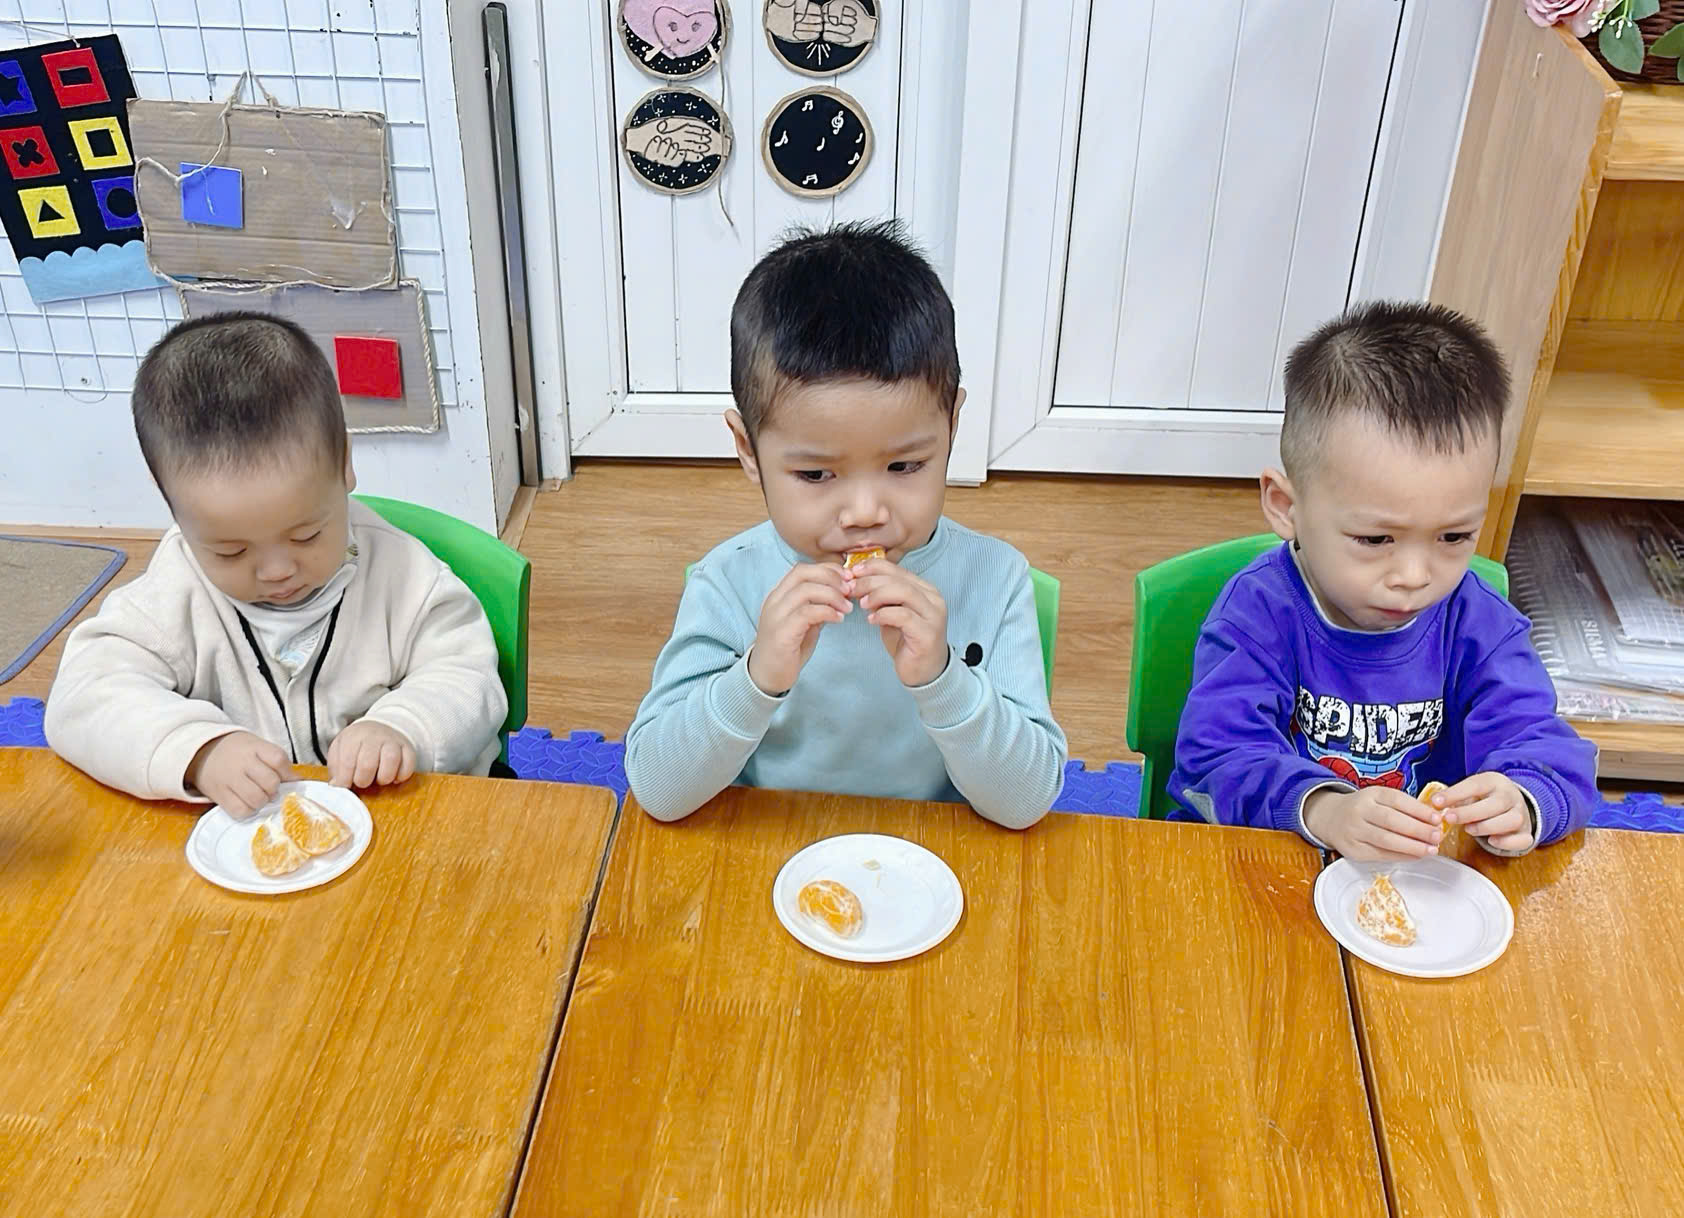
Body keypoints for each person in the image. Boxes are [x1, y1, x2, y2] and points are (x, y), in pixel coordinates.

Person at [626, 221, 1066, 827]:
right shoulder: (728, 583)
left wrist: (943, 681)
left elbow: (1028, 801)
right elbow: (657, 787)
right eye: (815, 475)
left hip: (939, 867)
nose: (865, 512)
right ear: (748, 449)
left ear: (953, 426)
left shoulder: (994, 579)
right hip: (769, 856)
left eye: (905, 464)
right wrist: (755, 679)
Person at [1168, 300, 1596, 859]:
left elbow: (1543, 742)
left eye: (1453, 537)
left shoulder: (1480, 624)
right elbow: (1215, 762)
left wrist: (1525, 798)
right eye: (1375, 540)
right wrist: (1324, 809)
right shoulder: (1256, 615)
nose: (1415, 577)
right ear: (1285, 506)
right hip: (1274, 860)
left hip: (1419, 882)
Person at [45, 313, 506, 815]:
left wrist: (404, 727)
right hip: (255, 834)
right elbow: (82, 697)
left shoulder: (406, 579)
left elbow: (470, 676)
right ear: (175, 510)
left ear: (345, 464)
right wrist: (198, 750)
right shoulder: (173, 594)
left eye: (306, 534)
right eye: (231, 551)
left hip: (408, 814)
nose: (276, 571)